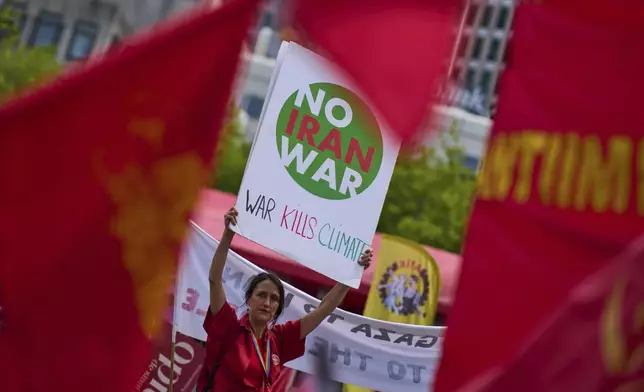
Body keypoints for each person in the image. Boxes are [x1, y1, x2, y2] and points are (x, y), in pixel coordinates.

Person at [197, 207, 373, 392]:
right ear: (248, 298)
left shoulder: (280, 339)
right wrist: (228, 234)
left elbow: (324, 309)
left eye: (274, 299)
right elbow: (215, 280)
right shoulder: (229, 326)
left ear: (278, 307)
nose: (267, 303)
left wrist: (353, 272)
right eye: (261, 295)